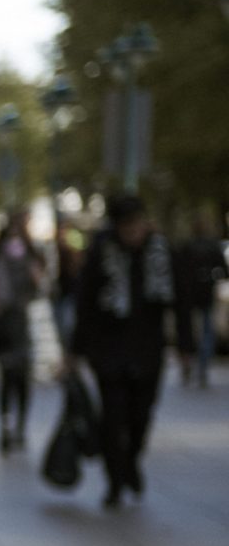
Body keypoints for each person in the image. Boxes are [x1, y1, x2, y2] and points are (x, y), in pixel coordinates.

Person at [71, 194, 174, 509]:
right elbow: (85, 304)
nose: (134, 232)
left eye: (137, 224)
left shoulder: (159, 251)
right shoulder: (101, 253)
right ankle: (115, 480)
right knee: (113, 419)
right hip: (109, 351)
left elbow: (177, 298)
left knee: (141, 416)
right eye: (127, 226)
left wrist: (185, 346)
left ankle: (130, 462)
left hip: (148, 351)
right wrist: (74, 351)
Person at [0, 210, 44, 452]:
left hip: (24, 323)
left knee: (21, 378)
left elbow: (43, 289)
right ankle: (6, 426)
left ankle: (19, 427)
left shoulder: (32, 256)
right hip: (3, 327)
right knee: (8, 377)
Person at [173, 213, 221, 388]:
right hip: (204, 294)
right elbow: (222, 268)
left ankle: (191, 362)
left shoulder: (187, 246)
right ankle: (202, 365)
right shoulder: (212, 246)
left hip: (190, 295)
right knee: (206, 331)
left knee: (190, 330)